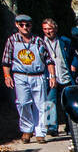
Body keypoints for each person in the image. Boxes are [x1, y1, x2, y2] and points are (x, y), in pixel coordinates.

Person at [3, 15, 54, 144]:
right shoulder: (12, 40)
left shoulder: (38, 41)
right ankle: (27, 129)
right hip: (20, 75)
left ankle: (40, 132)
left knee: (42, 105)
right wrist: (7, 76)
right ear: (17, 25)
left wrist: (52, 76)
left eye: (27, 25)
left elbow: (48, 60)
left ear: (31, 26)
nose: (25, 28)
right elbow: (6, 61)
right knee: (23, 103)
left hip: (37, 75)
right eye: (22, 25)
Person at [40, 18, 76, 139]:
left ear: (55, 29)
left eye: (49, 29)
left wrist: (74, 66)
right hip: (50, 77)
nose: (47, 32)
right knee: (50, 101)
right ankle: (51, 128)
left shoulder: (65, 41)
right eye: (45, 29)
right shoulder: (40, 43)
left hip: (65, 75)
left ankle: (70, 126)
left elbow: (75, 55)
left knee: (67, 103)